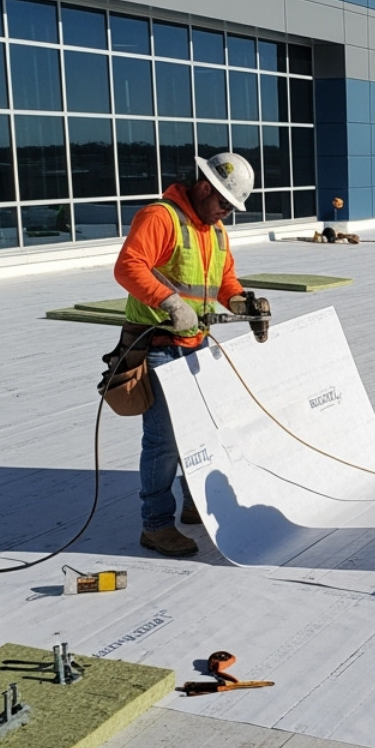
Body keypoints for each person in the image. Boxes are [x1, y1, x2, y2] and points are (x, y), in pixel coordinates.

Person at [113, 152, 267, 557]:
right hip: (158, 345)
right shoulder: (160, 217)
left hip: (195, 344)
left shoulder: (215, 231)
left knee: (198, 432)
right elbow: (128, 266)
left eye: (231, 208)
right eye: (223, 203)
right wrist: (168, 302)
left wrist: (240, 302)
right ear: (203, 187)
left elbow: (224, 280)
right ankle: (156, 525)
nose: (226, 213)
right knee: (163, 441)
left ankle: (192, 501)